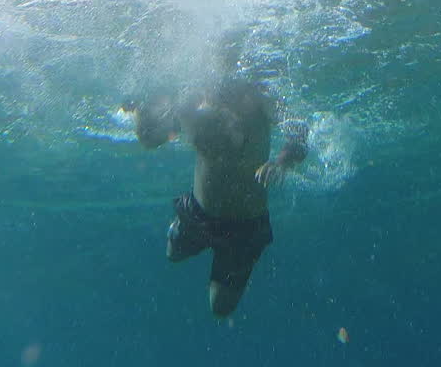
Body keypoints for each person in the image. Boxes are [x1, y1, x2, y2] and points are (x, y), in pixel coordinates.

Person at [129, 77, 308, 317]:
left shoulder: (261, 94)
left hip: (245, 225)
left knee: (220, 308)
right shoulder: (192, 93)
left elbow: (299, 133)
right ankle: (180, 223)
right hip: (198, 211)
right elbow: (150, 138)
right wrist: (144, 114)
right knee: (172, 254)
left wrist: (281, 163)